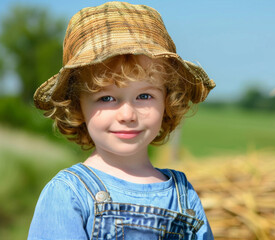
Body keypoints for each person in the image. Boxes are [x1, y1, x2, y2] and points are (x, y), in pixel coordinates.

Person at [28, 1, 215, 240]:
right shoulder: (69, 193)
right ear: (78, 107)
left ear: (167, 101)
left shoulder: (184, 196)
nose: (127, 115)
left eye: (144, 96)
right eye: (106, 98)